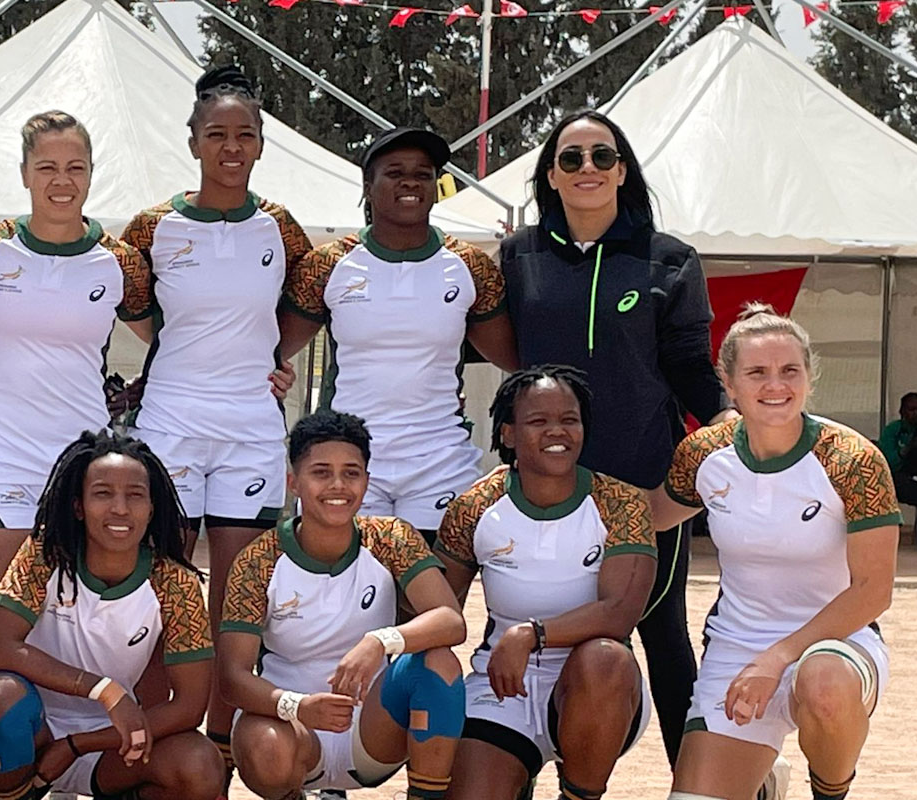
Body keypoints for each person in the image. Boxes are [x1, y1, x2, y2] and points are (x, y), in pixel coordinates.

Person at [498, 109, 734, 765]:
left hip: (644, 485)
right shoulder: (519, 256)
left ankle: (697, 778)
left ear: (623, 170)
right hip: (544, 492)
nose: (588, 170)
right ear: (551, 175)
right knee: (531, 632)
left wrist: (724, 419)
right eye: (571, 159)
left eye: (602, 157)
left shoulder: (668, 259)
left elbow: (689, 362)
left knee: (662, 634)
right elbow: (474, 341)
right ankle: (511, 765)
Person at [118, 65, 312, 766]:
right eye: (217, 135)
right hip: (169, 423)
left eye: (245, 135)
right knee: (157, 586)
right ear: (194, 141)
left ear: (260, 145)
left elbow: (299, 308)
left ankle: (222, 753)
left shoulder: (280, 226)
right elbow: (141, 314)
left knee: (238, 597)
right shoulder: (152, 227)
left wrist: (271, 356)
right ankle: (151, 747)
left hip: (250, 429)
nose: (231, 147)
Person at [651, 305, 898, 800]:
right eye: (757, 372)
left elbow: (874, 591)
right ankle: (765, 781)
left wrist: (780, 656)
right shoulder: (704, 453)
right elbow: (649, 516)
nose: (775, 385)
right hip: (738, 649)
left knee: (822, 683)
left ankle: (829, 790)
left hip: (837, 647)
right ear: (729, 381)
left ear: (809, 376)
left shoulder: (852, 460)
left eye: (790, 371)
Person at [0, 111, 152, 678]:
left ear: (91, 175)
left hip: (83, 468)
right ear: (24, 173)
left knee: (70, 639)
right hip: (3, 459)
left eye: (75, 167)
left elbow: (173, 339)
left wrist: (270, 365)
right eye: (47, 167)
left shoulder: (118, 261)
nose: (61, 180)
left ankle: (60, 765)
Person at [279, 126, 518, 537]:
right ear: (368, 188)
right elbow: (268, 348)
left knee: (433, 595)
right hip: (350, 459)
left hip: (439, 458)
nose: (410, 181)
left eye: (423, 173)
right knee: (351, 596)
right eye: (394, 172)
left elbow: (516, 359)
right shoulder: (328, 264)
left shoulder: (470, 265)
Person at [218, 409, 466, 800]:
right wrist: (296, 705)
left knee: (438, 663)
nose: (338, 485)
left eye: (351, 472)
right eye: (320, 472)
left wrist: (380, 641)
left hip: (372, 731)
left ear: (367, 481)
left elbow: (451, 621)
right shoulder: (259, 561)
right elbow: (232, 677)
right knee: (263, 744)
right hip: (294, 730)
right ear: (294, 482)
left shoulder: (390, 537)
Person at [435, 366, 656, 800]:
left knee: (606, 658)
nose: (557, 431)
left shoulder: (621, 503)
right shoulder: (475, 506)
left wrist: (531, 634)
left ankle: (579, 794)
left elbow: (619, 614)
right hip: (502, 685)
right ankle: (515, 768)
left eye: (569, 420)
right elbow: (441, 611)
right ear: (509, 434)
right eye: (539, 421)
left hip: (598, 691)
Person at [0, 430, 223, 800]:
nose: (120, 508)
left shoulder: (174, 581)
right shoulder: (48, 553)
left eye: (135, 495)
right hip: (35, 726)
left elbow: (189, 706)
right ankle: (13, 794)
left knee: (200, 764)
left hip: (113, 740)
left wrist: (78, 744)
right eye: (103, 493)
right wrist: (103, 690)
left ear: (152, 508)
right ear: (78, 506)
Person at [878, 392, 917, 509]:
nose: (916, 414)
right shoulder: (892, 430)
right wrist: (909, 447)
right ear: (902, 411)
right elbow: (886, 463)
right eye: (911, 409)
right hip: (896, 478)